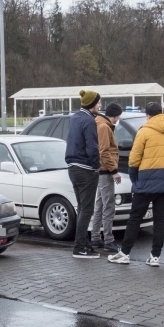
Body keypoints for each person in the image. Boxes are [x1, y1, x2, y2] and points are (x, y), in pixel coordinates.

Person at [108, 102, 164, 267]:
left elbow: (134, 159)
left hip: (146, 180)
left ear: (148, 116)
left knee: (135, 218)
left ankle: (125, 253)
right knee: (160, 220)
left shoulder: (144, 132)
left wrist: (135, 180)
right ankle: (155, 256)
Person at [65, 89, 102, 259]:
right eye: (98, 103)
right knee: (87, 209)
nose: (100, 105)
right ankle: (80, 246)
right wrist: (96, 166)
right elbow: (92, 147)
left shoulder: (75, 117)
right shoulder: (89, 120)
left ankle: (83, 243)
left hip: (73, 167)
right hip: (86, 168)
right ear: (92, 104)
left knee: (82, 207)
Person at [90, 102, 123, 253]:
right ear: (114, 116)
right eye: (117, 117)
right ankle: (108, 240)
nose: (117, 120)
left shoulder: (99, 123)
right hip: (105, 171)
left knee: (100, 205)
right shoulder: (104, 127)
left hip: (100, 170)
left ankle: (96, 237)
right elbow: (104, 151)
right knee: (108, 206)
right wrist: (114, 170)